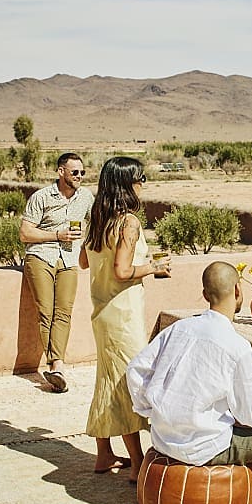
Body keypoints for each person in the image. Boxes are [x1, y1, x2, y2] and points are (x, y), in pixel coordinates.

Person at [127, 261, 252, 467]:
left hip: (163, 440)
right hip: (206, 447)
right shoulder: (237, 346)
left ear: (205, 295)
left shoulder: (178, 328)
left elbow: (135, 369)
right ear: (237, 290)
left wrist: (152, 411)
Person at [79, 156, 171, 481]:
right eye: (139, 177)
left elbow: (83, 261)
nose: (143, 183)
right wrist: (154, 267)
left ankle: (104, 454)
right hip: (122, 314)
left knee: (108, 379)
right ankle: (136, 462)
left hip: (101, 312)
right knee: (128, 383)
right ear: (127, 183)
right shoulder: (128, 222)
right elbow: (122, 271)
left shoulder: (96, 218)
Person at [20, 152, 95, 393]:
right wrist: (56, 235)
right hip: (41, 256)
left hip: (69, 258)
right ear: (61, 172)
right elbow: (25, 234)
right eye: (75, 172)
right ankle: (56, 365)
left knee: (64, 312)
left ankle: (56, 368)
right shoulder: (41, 197)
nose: (80, 177)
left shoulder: (85, 197)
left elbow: (96, 220)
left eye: (83, 173)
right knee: (46, 312)